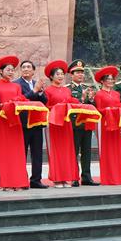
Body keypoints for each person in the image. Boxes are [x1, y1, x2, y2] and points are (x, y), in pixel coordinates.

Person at [0, 56, 29, 191]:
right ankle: (7, 183)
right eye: (8, 70)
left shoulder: (17, 85)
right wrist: (4, 105)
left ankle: (18, 182)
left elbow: (22, 101)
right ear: (1, 71)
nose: (10, 72)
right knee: (4, 152)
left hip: (15, 122)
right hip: (3, 121)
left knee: (17, 152)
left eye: (12, 70)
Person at [43, 60, 80, 188]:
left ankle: (66, 178)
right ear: (51, 76)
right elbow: (46, 107)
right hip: (54, 124)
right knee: (56, 151)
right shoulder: (48, 91)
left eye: (62, 74)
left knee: (66, 150)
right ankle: (57, 179)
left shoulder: (66, 90)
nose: (60, 76)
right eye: (57, 74)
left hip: (66, 123)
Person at [14, 60, 48, 189]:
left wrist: (40, 92)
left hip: (37, 123)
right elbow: (22, 100)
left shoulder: (36, 83)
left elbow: (45, 101)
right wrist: (35, 90)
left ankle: (36, 180)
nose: (26, 69)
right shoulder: (16, 84)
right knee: (22, 152)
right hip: (23, 123)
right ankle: (21, 179)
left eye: (29, 67)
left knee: (37, 153)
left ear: (33, 71)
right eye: (23, 67)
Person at [67, 59, 99, 187]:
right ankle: (74, 177)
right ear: (71, 74)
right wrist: (81, 99)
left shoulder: (88, 88)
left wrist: (91, 99)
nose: (80, 75)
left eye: (82, 72)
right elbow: (69, 106)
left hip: (86, 123)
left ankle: (86, 176)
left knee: (87, 151)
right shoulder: (68, 89)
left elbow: (94, 106)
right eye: (77, 72)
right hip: (74, 124)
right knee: (74, 151)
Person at [93, 66, 121, 185]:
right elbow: (98, 110)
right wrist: (109, 109)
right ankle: (107, 178)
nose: (111, 81)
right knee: (106, 150)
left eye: (112, 79)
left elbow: (119, 108)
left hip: (116, 124)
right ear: (102, 81)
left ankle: (117, 177)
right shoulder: (99, 94)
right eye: (108, 79)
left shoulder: (116, 94)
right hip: (104, 124)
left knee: (116, 149)